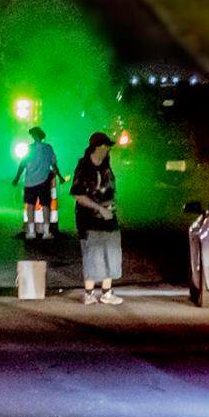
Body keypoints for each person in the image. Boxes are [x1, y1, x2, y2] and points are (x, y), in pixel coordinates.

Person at [70, 131, 123, 305]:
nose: (108, 149)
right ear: (96, 147)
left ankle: (107, 292)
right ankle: (89, 293)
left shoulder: (106, 165)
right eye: (105, 146)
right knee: (92, 254)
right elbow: (78, 195)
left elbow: (110, 189)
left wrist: (111, 207)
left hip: (108, 218)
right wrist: (99, 208)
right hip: (88, 219)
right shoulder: (84, 166)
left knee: (111, 252)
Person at [11, 126, 62, 239]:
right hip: (44, 181)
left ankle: (31, 232)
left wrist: (17, 178)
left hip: (30, 182)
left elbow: (22, 165)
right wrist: (60, 176)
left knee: (30, 206)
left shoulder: (30, 149)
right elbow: (54, 165)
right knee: (45, 206)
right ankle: (46, 232)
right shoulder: (48, 148)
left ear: (34, 136)